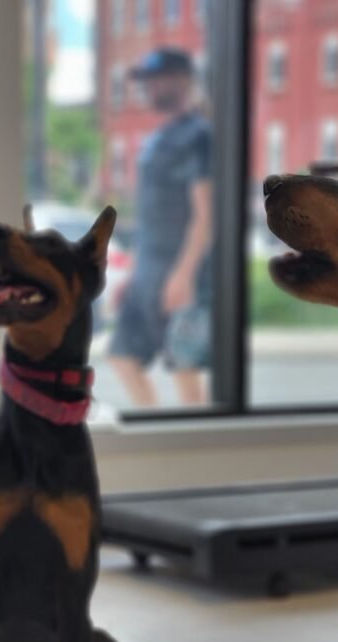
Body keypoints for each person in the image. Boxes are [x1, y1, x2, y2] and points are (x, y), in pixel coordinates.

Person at [109, 47, 212, 407]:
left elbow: (206, 213)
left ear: (181, 81)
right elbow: (149, 214)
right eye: (147, 83)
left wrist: (184, 275)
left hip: (180, 274)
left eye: (156, 82)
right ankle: (156, 432)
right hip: (147, 274)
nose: (149, 90)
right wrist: (134, 273)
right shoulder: (157, 140)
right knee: (122, 358)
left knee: (186, 374)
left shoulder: (199, 136)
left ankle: (197, 459)